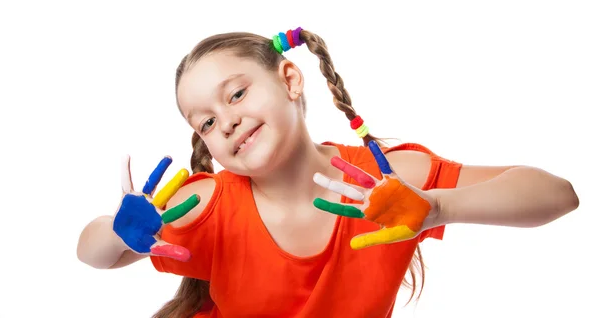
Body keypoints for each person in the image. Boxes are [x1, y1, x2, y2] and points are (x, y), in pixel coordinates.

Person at [77, 27, 579, 318]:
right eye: (206, 121)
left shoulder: (389, 181)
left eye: (236, 94)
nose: (226, 120)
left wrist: (439, 208)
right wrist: (118, 230)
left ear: (290, 79)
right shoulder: (208, 202)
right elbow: (95, 254)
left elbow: (558, 195)